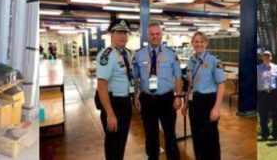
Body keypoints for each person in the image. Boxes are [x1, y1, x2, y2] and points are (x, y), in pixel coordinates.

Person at [132, 23, 182, 160]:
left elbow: (178, 77)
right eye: (152, 34)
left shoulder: (171, 54)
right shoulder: (139, 55)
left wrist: (178, 96)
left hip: (167, 99)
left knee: (170, 134)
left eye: (157, 33)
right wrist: (136, 96)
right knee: (150, 134)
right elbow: (135, 78)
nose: (155, 36)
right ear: (147, 36)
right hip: (147, 99)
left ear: (161, 35)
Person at [182, 31, 226, 160]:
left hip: (209, 102)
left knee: (210, 138)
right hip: (194, 102)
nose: (199, 44)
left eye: (202, 41)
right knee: (196, 136)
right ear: (192, 43)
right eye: (196, 41)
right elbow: (190, 85)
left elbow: (221, 85)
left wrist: (216, 108)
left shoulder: (214, 60)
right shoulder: (191, 61)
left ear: (206, 43)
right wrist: (185, 103)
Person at [95, 19, 134, 160]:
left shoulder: (127, 54)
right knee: (113, 144)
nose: (123, 36)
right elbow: (101, 86)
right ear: (112, 34)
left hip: (125, 103)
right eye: (119, 32)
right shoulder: (106, 55)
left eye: (125, 33)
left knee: (121, 141)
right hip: (113, 104)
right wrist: (110, 114)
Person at [257, 51, 277, 141]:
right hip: (262, 94)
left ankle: (275, 135)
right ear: (262, 57)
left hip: (274, 93)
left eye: (268, 56)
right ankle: (265, 134)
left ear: (271, 57)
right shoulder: (257, 68)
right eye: (265, 56)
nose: (267, 57)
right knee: (263, 115)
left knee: (276, 115)